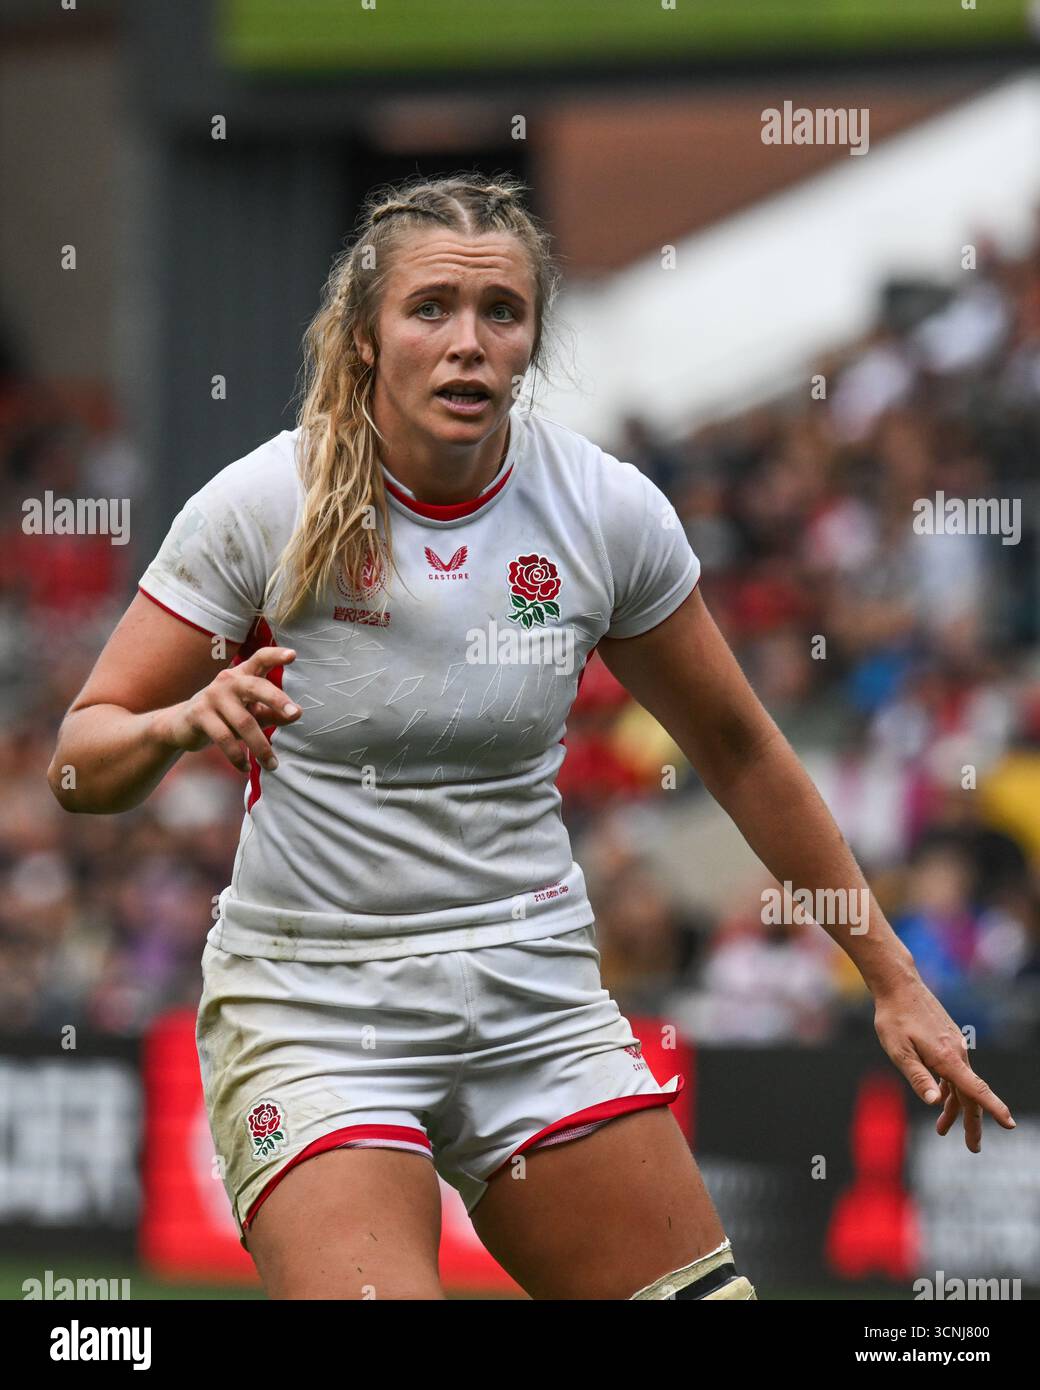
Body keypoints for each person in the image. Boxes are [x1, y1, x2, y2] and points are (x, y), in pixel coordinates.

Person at [46, 174, 1015, 1301]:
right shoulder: (263, 504)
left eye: (499, 312)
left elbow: (739, 748)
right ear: (364, 339)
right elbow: (79, 760)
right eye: (431, 310)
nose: (467, 343)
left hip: (533, 995)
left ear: (531, 340)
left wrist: (889, 976)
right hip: (313, 1008)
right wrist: (175, 724)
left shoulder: (604, 512)